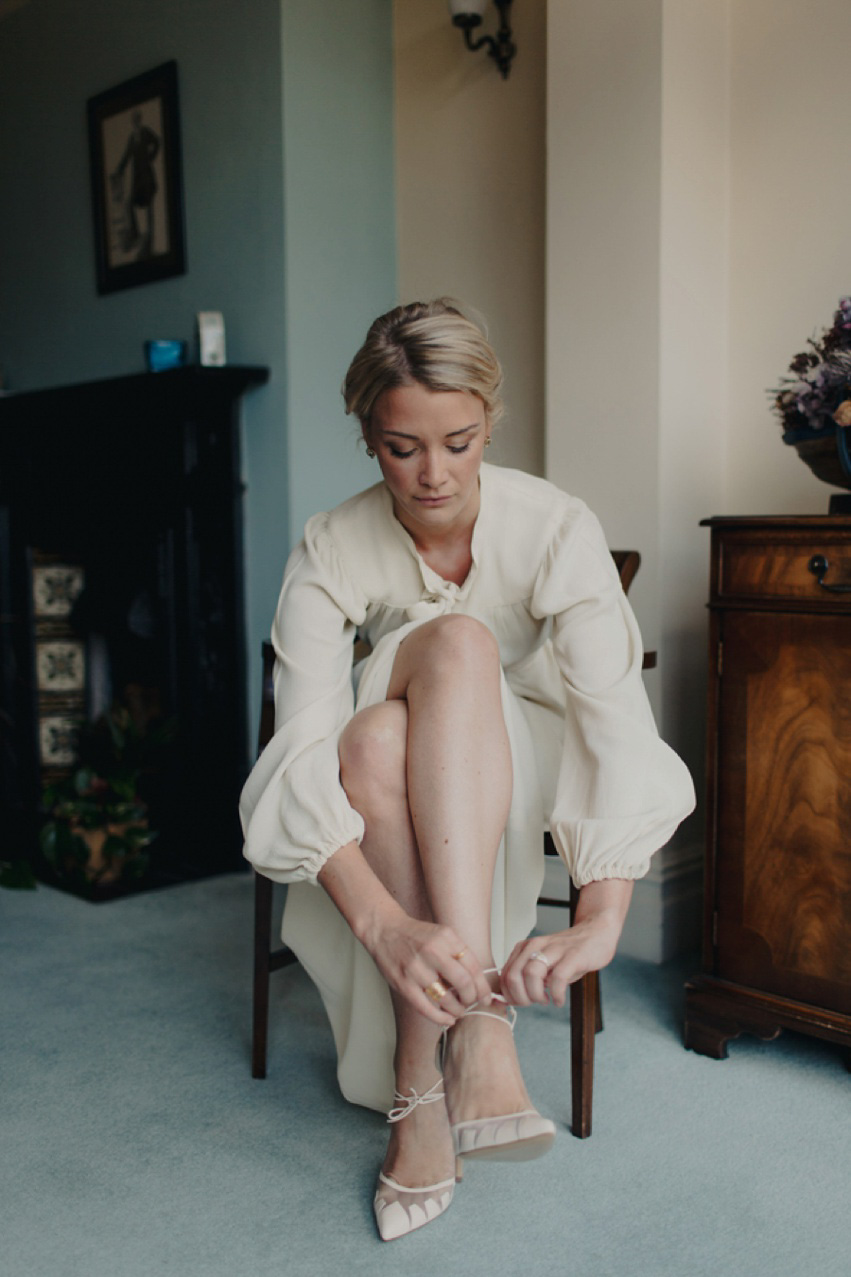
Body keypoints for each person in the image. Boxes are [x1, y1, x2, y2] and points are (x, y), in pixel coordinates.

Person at [240, 300, 695, 1242]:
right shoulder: (332, 545)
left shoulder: (558, 527)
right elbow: (296, 753)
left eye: (458, 441)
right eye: (402, 446)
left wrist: (603, 919)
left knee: (408, 711)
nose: (433, 475)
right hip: (399, 768)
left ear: (491, 419)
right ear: (368, 435)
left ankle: (421, 1087)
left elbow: (613, 724)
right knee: (385, 719)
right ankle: (477, 1020)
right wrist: (383, 922)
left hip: (521, 761)